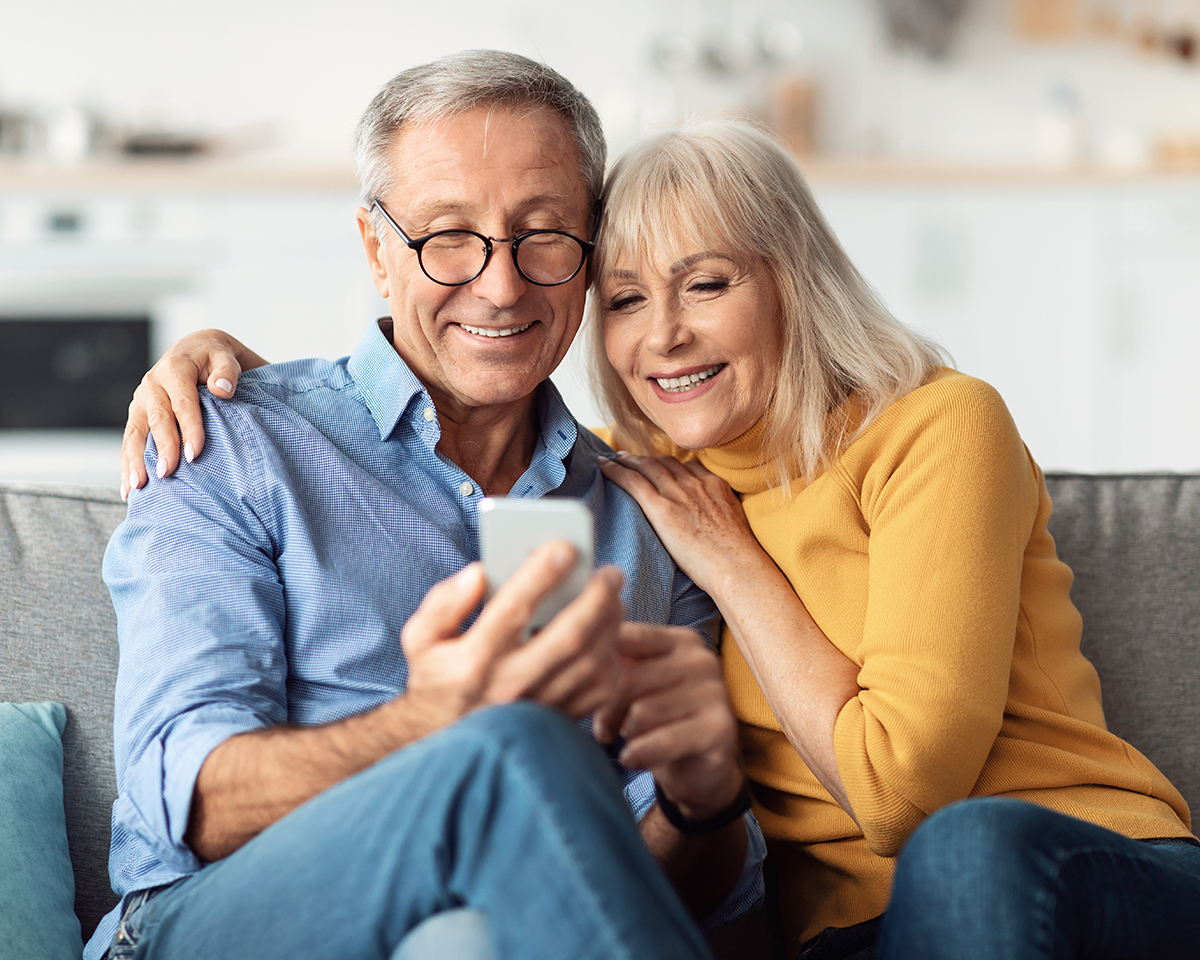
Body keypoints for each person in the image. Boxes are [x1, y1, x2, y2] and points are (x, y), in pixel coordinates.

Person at [136, 118, 1200, 960]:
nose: (664, 335)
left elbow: (905, 796)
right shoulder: (623, 479)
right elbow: (425, 414)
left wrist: (732, 561)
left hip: (1069, 866)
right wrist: (237, 380)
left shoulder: (921, 427)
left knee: (965, 852)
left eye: (709, 284)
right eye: (629, 299)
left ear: (794, 281)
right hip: (853, 935)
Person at [94, 53, 769, 960]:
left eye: (543, 234)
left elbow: (664, 890)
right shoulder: (230, 443)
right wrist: (429, 728)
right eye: (447, 235)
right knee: (516, 749)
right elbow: (194, 803)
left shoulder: (647, 515)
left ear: (591, 255)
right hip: (211, 924)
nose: (500, 284)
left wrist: (704, 798)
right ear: (377, 250)